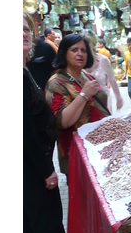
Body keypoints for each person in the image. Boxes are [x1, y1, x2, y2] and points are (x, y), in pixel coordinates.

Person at [23, 13, 76, 233]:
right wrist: (47, 169)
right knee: (48, 214)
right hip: (33, 162)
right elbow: (24, 131)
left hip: (29, 161)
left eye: (25, 29)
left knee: (26, 209)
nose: (22, 34)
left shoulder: (23, 69)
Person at [45, 33, 110, 176]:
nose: (80, 54)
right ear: (63, 53)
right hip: (77, 155)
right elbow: (62, 121)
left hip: (99, 148)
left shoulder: (87, 76)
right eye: (74, 50)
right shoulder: (56, 83)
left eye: (83, 50)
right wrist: (84, 95)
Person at [84, 31, 124, 113]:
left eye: (88, 44)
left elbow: (112, 80)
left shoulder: (104, 60)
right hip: (86, 104)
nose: (85, 48)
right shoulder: (78, 62)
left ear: (93, 44)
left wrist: (118, 98)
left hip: (104, 102)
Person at [27, 27, 58, 92]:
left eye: (26, 29)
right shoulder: (47, 46)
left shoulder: (45, 47)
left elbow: (56, 69)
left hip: (45, 88)